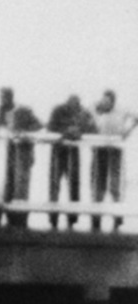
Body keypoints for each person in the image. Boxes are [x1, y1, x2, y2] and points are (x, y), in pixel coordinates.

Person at [0, 87, 41, 228]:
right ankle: (9, 217)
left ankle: (20, 219)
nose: (1, 99)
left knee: (21, 185)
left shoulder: (22, 110)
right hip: (9, 153)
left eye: (3, 96)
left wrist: (24, 133)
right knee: (9, 183)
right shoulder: (2, 110)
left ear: (9, 96)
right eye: (0, 96)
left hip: (23, 153)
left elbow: (38, 125)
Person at [46, 94, 95, 228]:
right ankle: (53, 218)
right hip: (58, 151)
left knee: (74, 184)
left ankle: (72, 219)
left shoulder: (83, 113)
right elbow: (50, 127)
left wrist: (79, 131)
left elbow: (92, 128)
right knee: (54, 185)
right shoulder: (57, 111)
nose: (75, 107)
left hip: (73, 152)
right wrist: (65, 131)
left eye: (77, 104)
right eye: (73, 104)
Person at [91, 89, 136, 231]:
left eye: (107, 102)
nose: (105, 103)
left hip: (115, 149)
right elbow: (88, 120)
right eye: (103, 101)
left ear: (113, 102)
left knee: (115, 185)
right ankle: (96, 219)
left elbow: (136, 117)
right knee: (98, 184)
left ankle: (117, 219)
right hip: (100, 149)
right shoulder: (97, 109)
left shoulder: (122, 110)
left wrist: (128, 131)